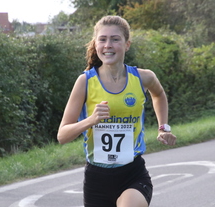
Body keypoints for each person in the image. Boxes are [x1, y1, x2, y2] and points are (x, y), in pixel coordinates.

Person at [57, 15, 176, 207]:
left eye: (115, 39)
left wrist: (163, 127)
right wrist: (90, 120)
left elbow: (159, 95)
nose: (108, 45)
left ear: (127, 44)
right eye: (102, 39)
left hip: (133, 174)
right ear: (95, 44)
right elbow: (62, 136)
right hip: (97, 179)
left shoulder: (143, 77)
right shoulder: (85, 82)